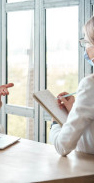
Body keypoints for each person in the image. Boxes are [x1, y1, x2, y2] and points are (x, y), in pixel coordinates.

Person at [49, 16, 94, 156]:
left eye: (86, 42)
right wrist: (75, 109)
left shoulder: (90, 85)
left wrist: (55, 122)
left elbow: (62, 146)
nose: (85, 47)